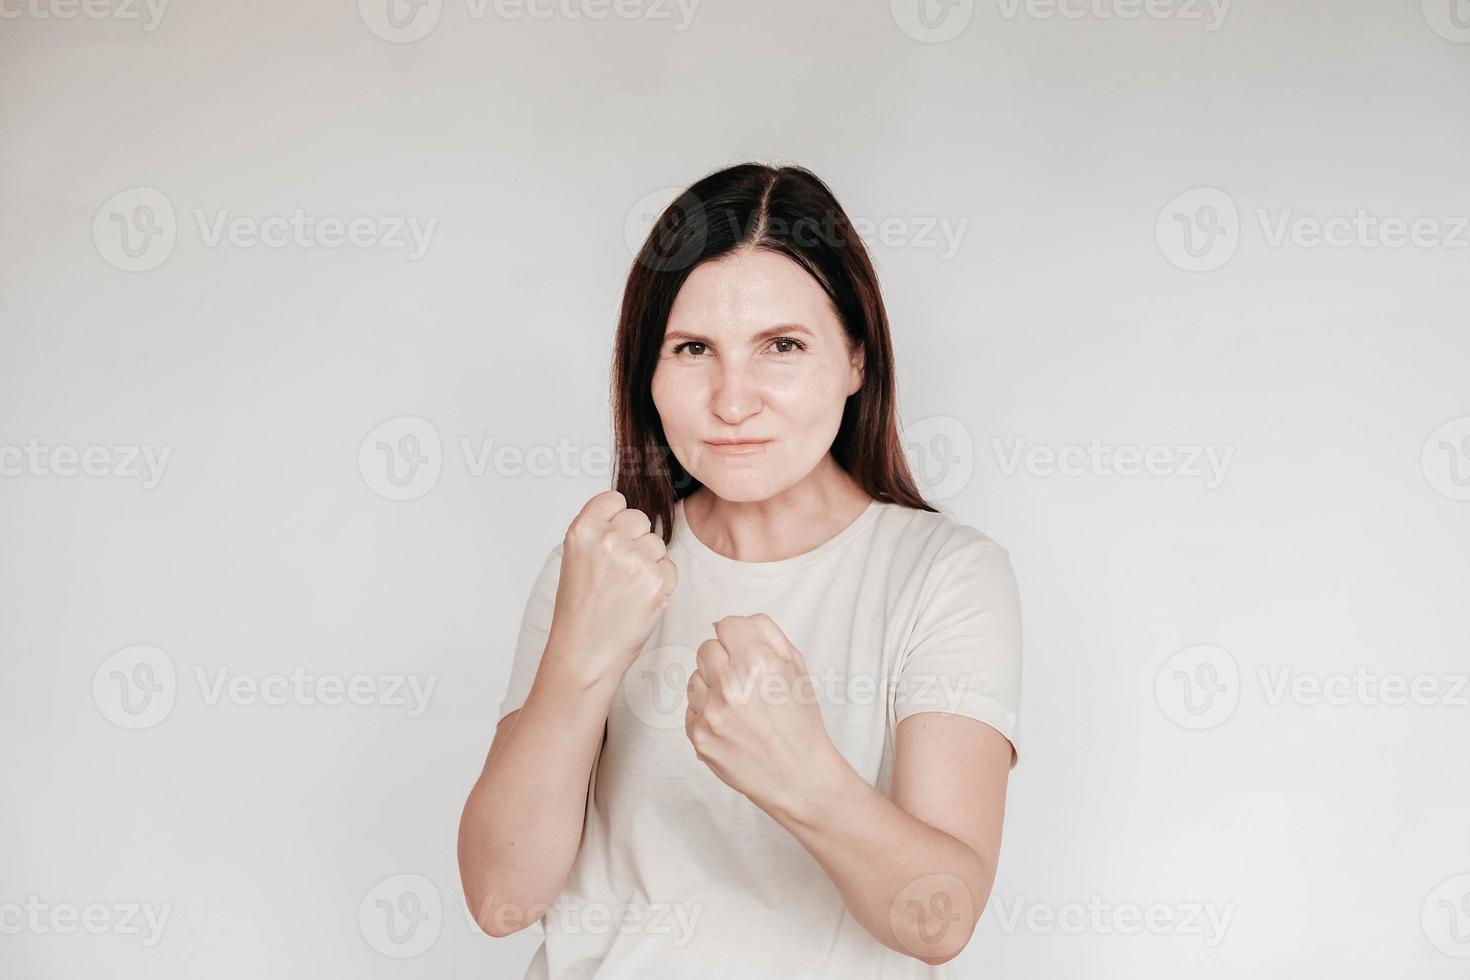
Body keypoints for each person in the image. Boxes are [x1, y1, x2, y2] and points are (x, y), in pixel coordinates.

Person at [457, 162, 1023, 979]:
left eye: (781, 347)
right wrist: (579, 664)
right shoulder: (603, 563)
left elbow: (938, 920)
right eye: (692, 349)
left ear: (857, 360)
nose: (731, 401)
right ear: (646, 371)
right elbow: (499, 899)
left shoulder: (944, 574)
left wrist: (804, 776)